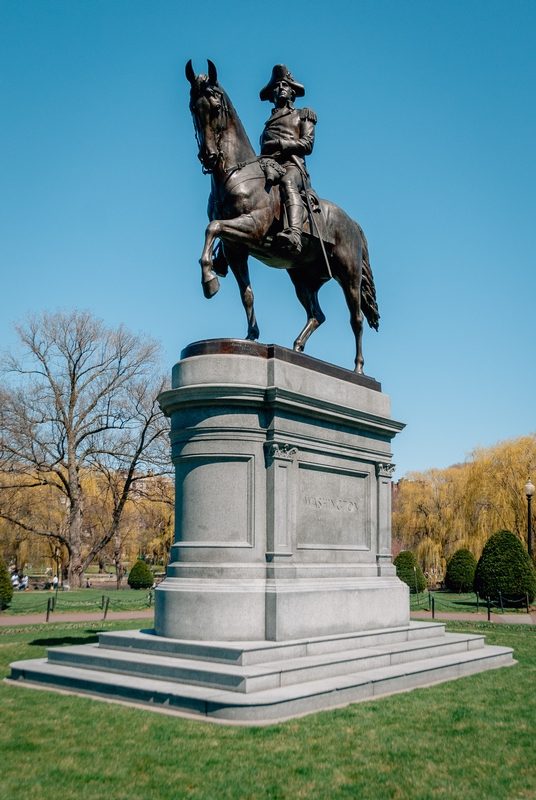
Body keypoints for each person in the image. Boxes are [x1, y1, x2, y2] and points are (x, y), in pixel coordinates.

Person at [259, 64, 317, 254]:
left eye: (285, 84)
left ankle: (294, 233)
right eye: (277, 85)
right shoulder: (267, 126)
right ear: (272, 94)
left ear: (292, 91)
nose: (281, 88)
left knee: (287, 181)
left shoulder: (303, 114)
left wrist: (279, 144)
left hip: (294, 167)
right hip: (270, 166)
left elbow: (307, 145)